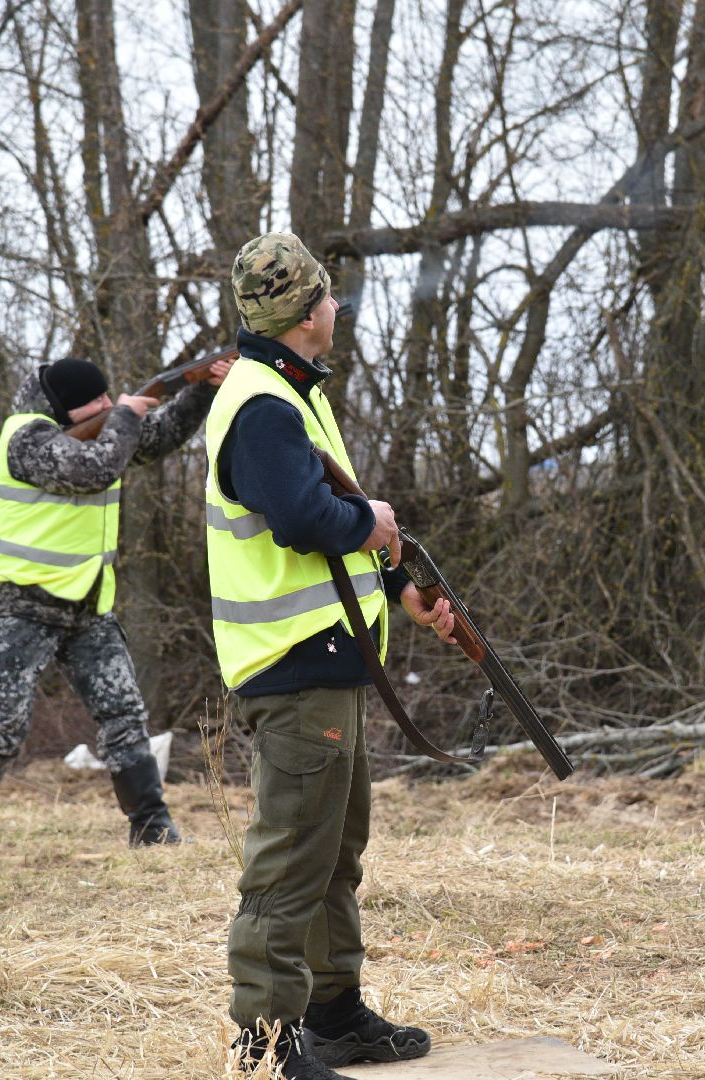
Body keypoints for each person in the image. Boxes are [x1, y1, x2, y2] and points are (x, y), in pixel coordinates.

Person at [204, 233, 457, 1079]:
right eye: (326, 295)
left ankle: (336, 1017)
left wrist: (400, 588)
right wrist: (373, 523)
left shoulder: (289, 392)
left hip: (326, 660)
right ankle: (267, 1049)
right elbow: (306, 521)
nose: (336, 306)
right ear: (305, 313)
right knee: (288, 865)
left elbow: (328, 538)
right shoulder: (264, 406)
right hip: (293, 667)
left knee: (333, 853)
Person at [0, 352, 231, 858]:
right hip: (19, 602)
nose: (107, 405)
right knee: (0, 726)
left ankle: (152, 829)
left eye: (110, 396)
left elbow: (159, 437)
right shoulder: (25, 438)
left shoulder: (106, 431)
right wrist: (128, 413)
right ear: (66, 407)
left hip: (86, 602)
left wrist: (202, 388)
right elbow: (94, 470)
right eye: (96, 400)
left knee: (123, 714)